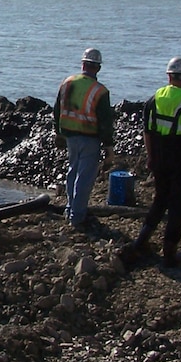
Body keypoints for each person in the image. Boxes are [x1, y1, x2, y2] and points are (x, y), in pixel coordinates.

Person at [126, 57, 181, 268]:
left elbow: (147, 132)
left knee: (160, 200)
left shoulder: (153, 99)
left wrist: (151, 157)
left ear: (168, 76)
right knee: (179, 204)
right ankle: (169, 250)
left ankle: (141, 240)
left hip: (159, 156)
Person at [54, 48, 115, 230]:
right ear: (98, 68)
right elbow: (105, 122)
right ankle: (77, 217)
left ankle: (69, 208)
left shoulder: (67, 82)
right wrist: (109, 147)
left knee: (72, 172)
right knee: (84, 178)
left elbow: (57, 109)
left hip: (70, 135)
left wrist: (58, 132)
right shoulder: (100, 91)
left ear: (83, 64)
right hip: (90, 137)